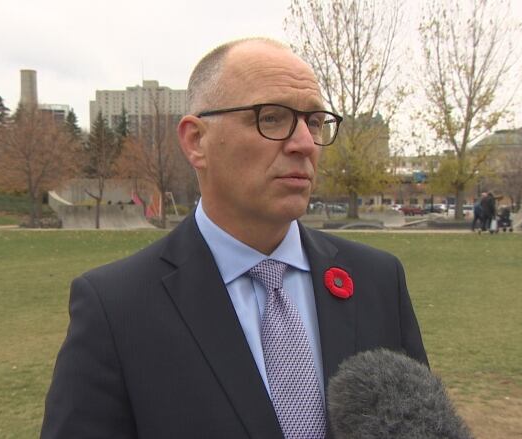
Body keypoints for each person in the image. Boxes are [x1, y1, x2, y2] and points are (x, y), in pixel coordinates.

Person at [41, 38, 429, 439]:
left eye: (314, 122)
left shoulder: (377, 281)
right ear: (196, 141)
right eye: (272, 117)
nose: (304, 144)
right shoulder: (115, 307)